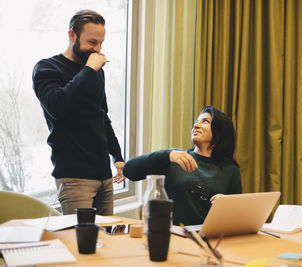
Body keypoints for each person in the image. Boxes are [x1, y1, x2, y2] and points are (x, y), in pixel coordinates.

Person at [32, 10, 125, 215]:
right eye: (92, 42)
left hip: (103, 173)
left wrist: (117, 156)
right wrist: (89, 70)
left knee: (105, 242)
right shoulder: (47, 68)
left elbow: (102, 116)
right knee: (79, 243)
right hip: (74, 176)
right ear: (72, 35)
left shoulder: (95, 71)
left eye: (101, 43)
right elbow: (58, 107)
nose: (97, 49)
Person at [123, 106, 242, 225]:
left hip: (210, 238)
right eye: (196, 122)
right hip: (173, 235)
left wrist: (227, 204)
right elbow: (129, 170)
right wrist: (167, 154)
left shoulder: (230, 169)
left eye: (205, 121)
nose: (196, 125)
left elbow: (238, 215)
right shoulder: (176, 157)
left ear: (219, 133)